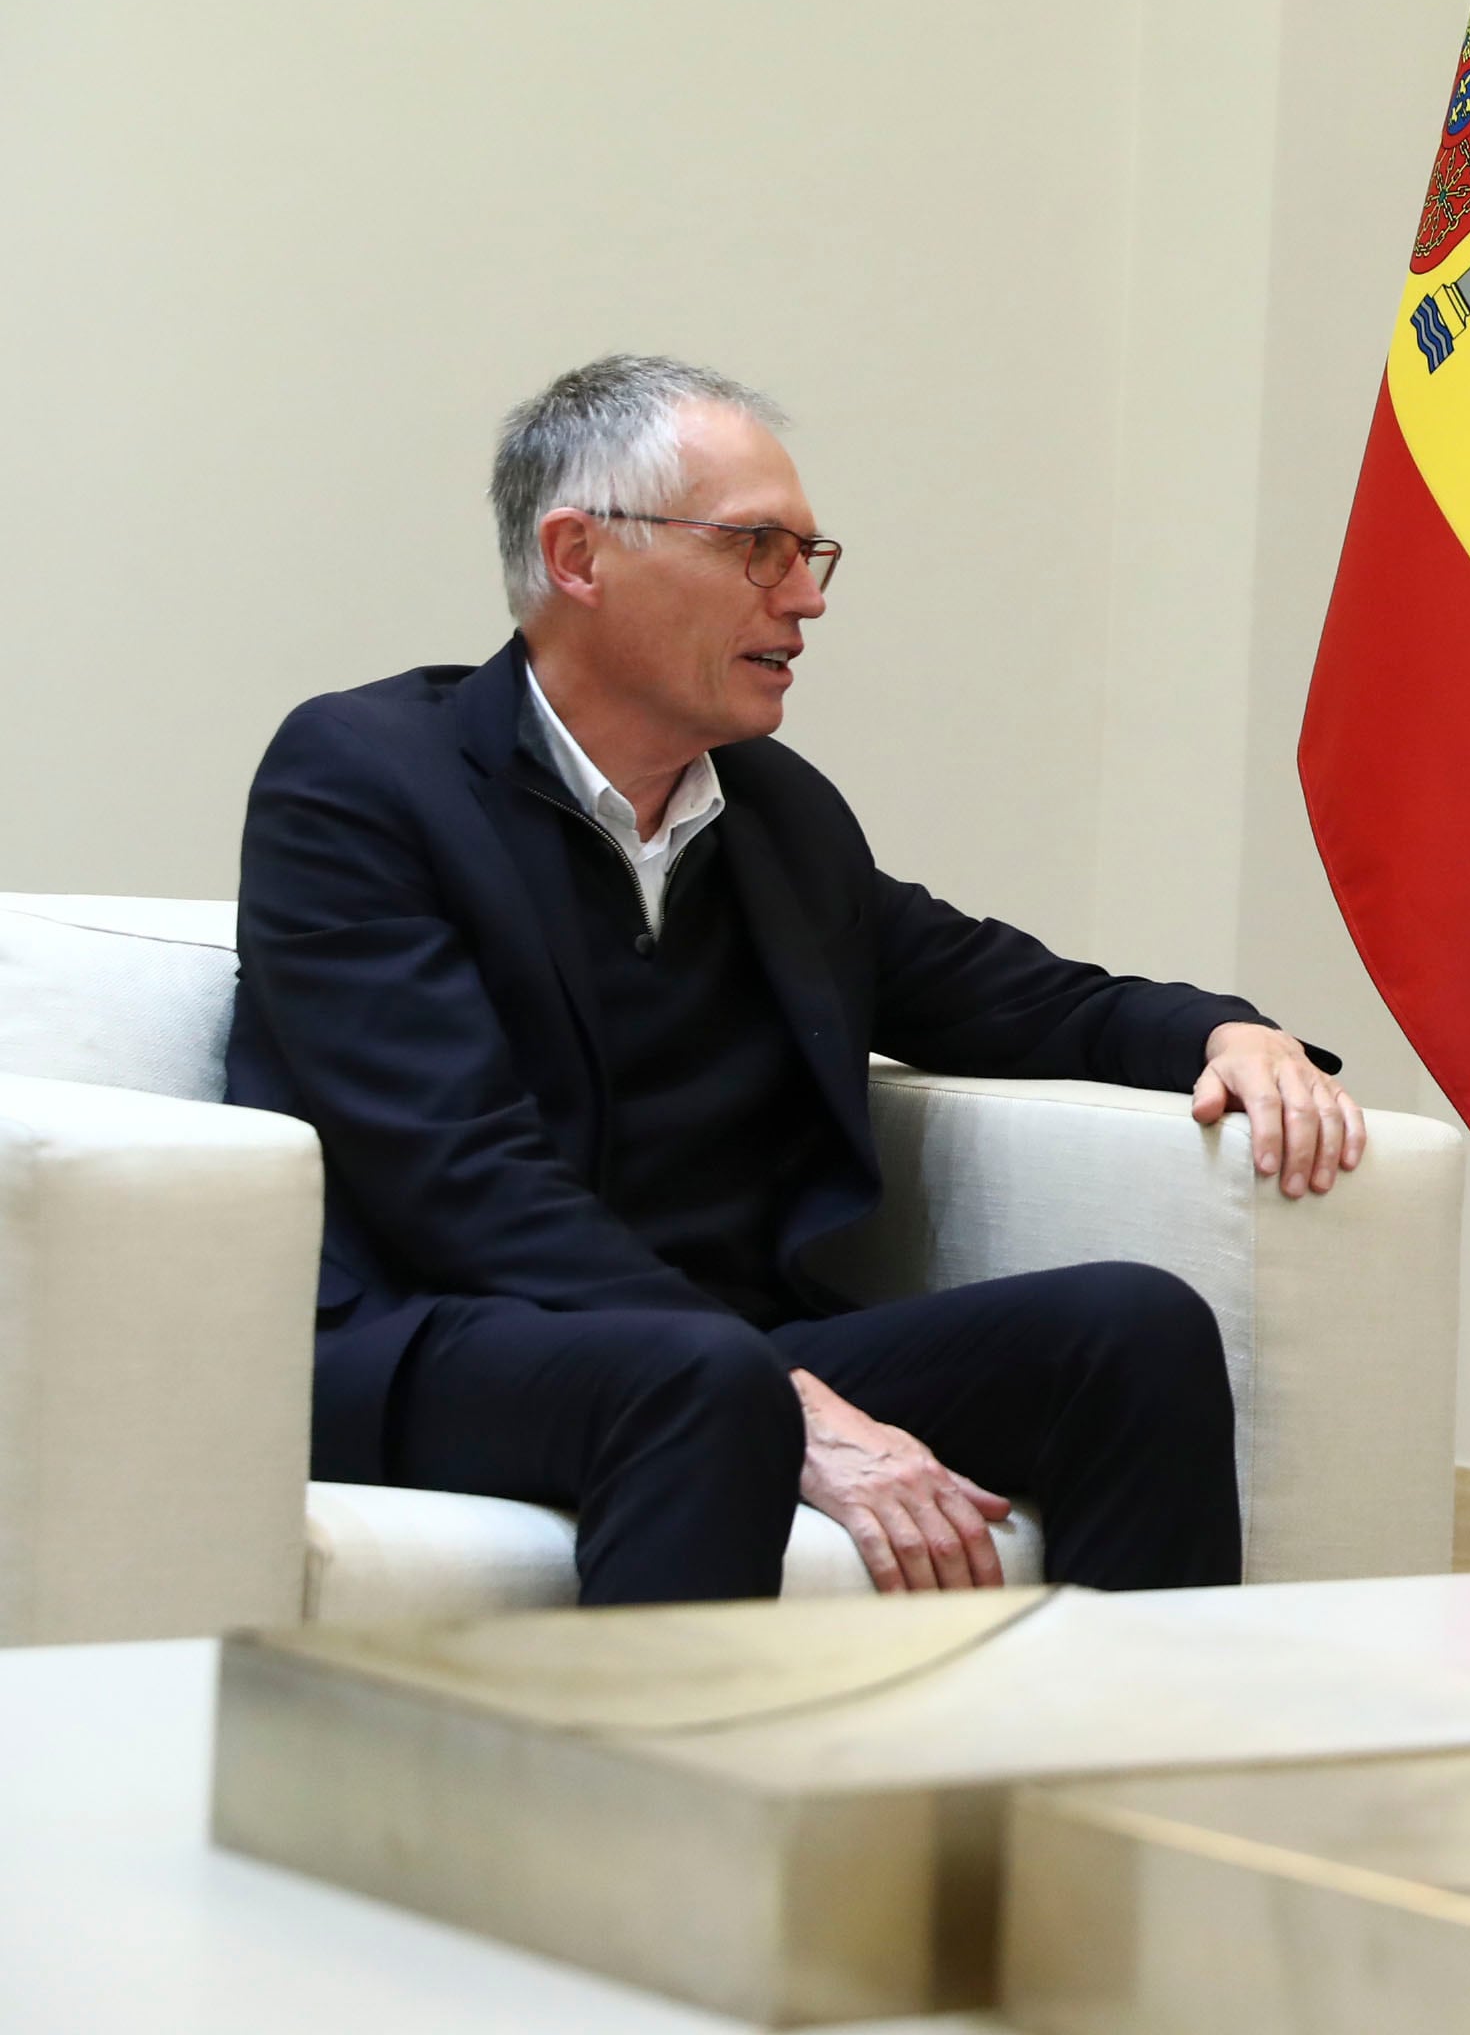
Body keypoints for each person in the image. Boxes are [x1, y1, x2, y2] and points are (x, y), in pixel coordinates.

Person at [229, 354, 1366, 1606]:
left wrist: (1223, 1031)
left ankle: (1099, 1778)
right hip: (432, 1333)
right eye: (759, 548)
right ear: (578, 555)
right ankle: (648, 1806)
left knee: (1129, 1331)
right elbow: (457, 1176)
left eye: (810, 557)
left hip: (719, 1347)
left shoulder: (773, 814)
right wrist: (782, 1394)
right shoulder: (361, 778)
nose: (804, 601)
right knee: (700, 1381)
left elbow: (996, 987)